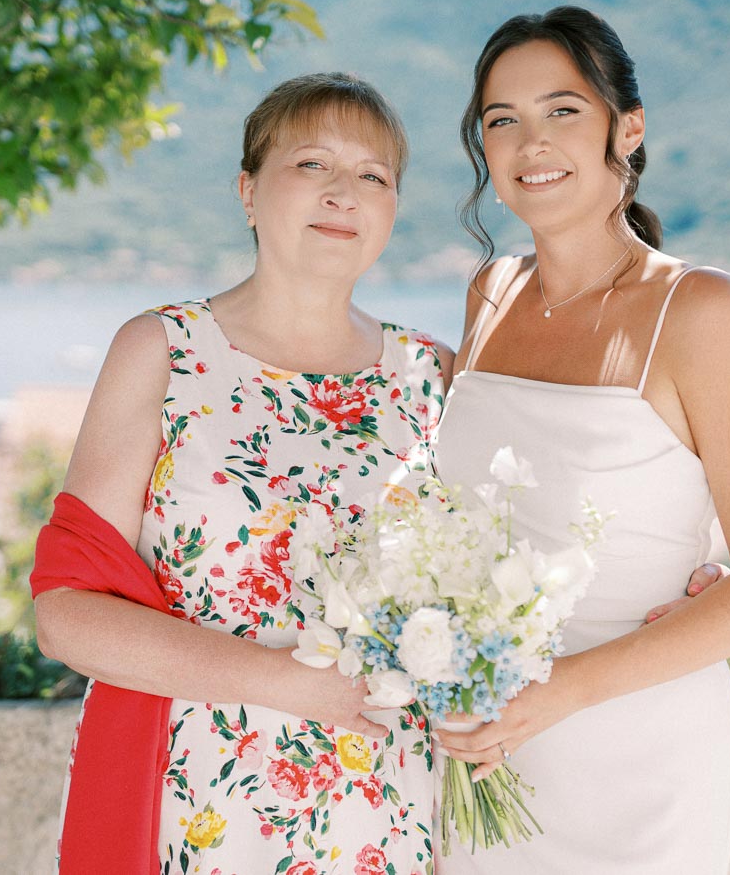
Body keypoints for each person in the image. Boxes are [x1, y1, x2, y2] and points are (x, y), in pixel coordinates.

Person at [32, 73, 448, 874]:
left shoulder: (433, 374)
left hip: (390, 803)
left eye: (373, 175)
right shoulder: (164, 351)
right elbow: (67, 617)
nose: (344, 192)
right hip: (195, 801)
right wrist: (285, 682)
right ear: (249, 191)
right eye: (312, 164)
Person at [431, 6, 730, 873]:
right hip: (484, 754)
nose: (531, 142)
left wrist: (558, 694)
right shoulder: (489, 295)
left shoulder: (701, 310)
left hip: (638, 757)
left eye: (563, 110)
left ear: (628, 128)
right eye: (502, 119)